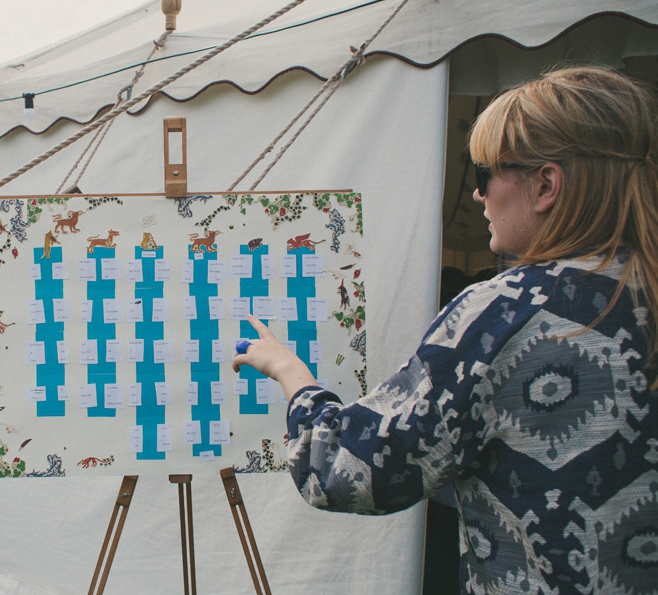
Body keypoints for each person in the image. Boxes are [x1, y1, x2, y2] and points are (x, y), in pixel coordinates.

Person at [232, 66, 658, 594]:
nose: (477, 196)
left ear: (545, 185)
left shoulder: (504, 313)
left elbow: (346, 471)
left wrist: (290, 372)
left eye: (485, 176)